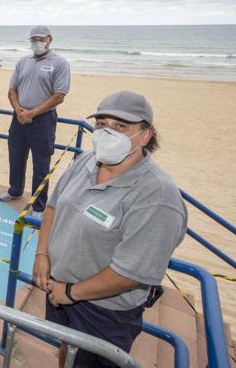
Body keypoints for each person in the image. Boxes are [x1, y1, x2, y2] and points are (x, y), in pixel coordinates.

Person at [32, 91, 187, 368]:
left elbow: (130, 272)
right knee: (68, 351)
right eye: (101, 124)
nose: (107, 133)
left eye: (120, 126)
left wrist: (71, 292)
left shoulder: (157, 196)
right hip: (60, 288)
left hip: (104, 311)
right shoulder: (86, 161)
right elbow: (54, 206)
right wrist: (42, 255)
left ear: (145, 135)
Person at [0, 25, 70, 220]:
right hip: (19, 117)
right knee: (16, 156)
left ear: (49, 40)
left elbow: (59, 96)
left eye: (41, 39)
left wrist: (33, 112)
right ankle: (15, 190)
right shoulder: (23, 61)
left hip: (43, 120)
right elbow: (12, 90)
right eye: (33, 40)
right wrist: (19, 111)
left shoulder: (60, 63)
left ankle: (38, 206)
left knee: (41, 164)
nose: (37, 43)